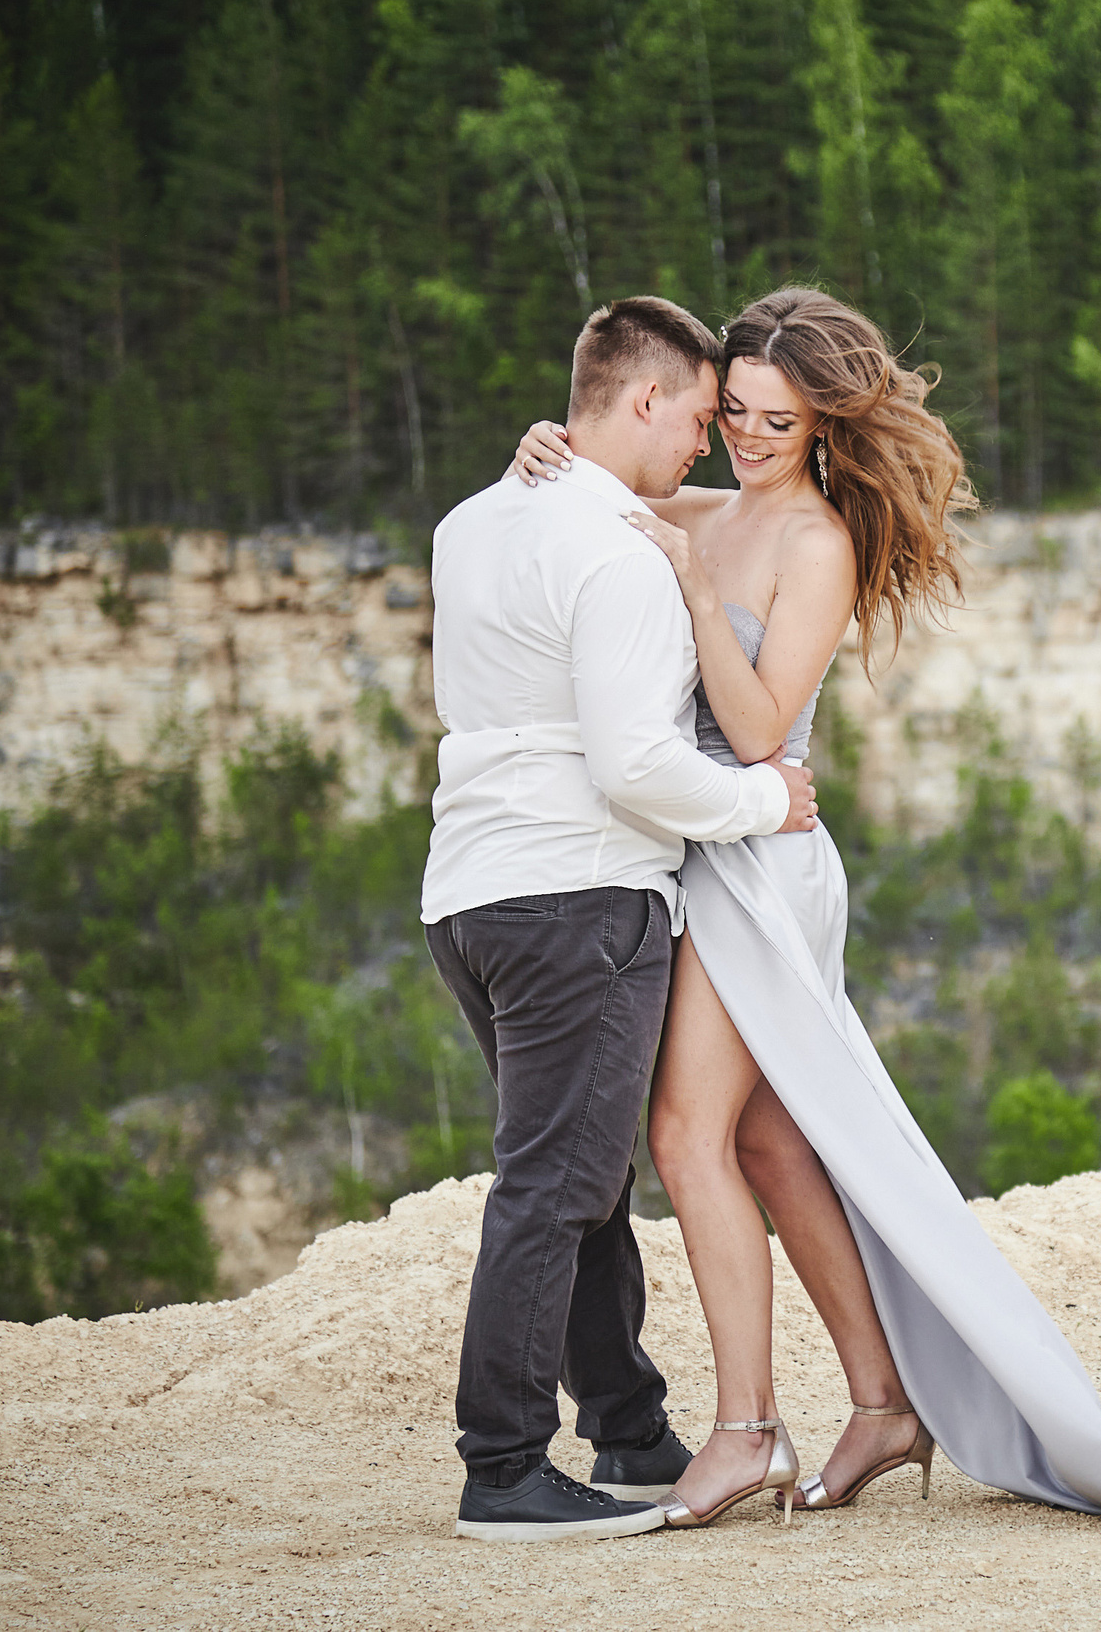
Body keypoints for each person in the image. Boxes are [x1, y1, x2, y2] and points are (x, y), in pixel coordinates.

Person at [505, 285, 1101, 1532]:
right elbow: (591, 495)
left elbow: (764, 728)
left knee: (685, 1136)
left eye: (777, 419)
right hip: (704, 849)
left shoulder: (812, 541)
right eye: (733, 412)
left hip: (765, 864)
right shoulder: (703, 507)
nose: (748, 437)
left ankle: (743, 1429)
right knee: (771, 1142)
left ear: (824, 423)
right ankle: (884, 1401)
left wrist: (678, 569)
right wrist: (539, 454)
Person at [424, 296, 823, 1543]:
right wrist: (766, 796)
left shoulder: (472, 519)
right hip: (580, 890)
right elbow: (636, 766)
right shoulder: (620, 555)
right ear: (643, 399)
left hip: (469, 892)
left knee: (585, 1171)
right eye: (702, 415)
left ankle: (631, 1426)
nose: (708, 443)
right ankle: (502, 1465)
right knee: (559, 1177)